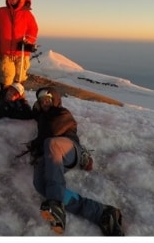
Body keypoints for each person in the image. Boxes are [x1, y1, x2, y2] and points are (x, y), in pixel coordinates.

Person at [27, 87, 124, 236]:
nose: (44, 103)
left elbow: (52, 131)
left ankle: (55, 204)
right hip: (53, 157)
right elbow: (27, 114)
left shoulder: (62, 113)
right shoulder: (42, 117)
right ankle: (101, 213)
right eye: (41, 101)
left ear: (55, 99)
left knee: (51, 143)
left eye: (47, 99)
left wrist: (35, 144)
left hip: (70, 150)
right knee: (40, 185)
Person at [0, 0, 39, 88]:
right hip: (6, 52)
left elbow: (33, 29)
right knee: (7, 78)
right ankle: (5, 100)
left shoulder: (27, 14)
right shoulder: (1, 12)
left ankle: (19, 100)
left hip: (22, 52)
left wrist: (28, 40)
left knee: (19, 79)